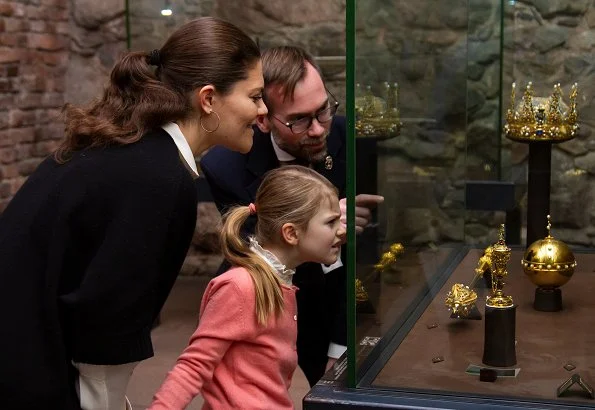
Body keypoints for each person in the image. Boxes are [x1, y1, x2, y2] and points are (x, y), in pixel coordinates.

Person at [0, 17, 267, 410]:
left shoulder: (136, 150)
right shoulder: (160, 178)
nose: (262, 111)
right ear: (208, 98)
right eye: (255, 96)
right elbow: (107, 323)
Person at [200, 45, 384, 387]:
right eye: (299, 119)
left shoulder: (355, 139)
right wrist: (323, 225)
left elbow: (371, 255)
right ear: (263, 119)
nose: (317, 130)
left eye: (323, 111)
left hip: (354, 303)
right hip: (285, 309)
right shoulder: (225, 167)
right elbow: (253, 259)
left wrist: (342, 343)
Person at [150, 165, 346, 409]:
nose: (342, 230)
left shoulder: (280, 280)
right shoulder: (240, 286)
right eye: (331, 222)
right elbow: (193, 367)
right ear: (291, 234)